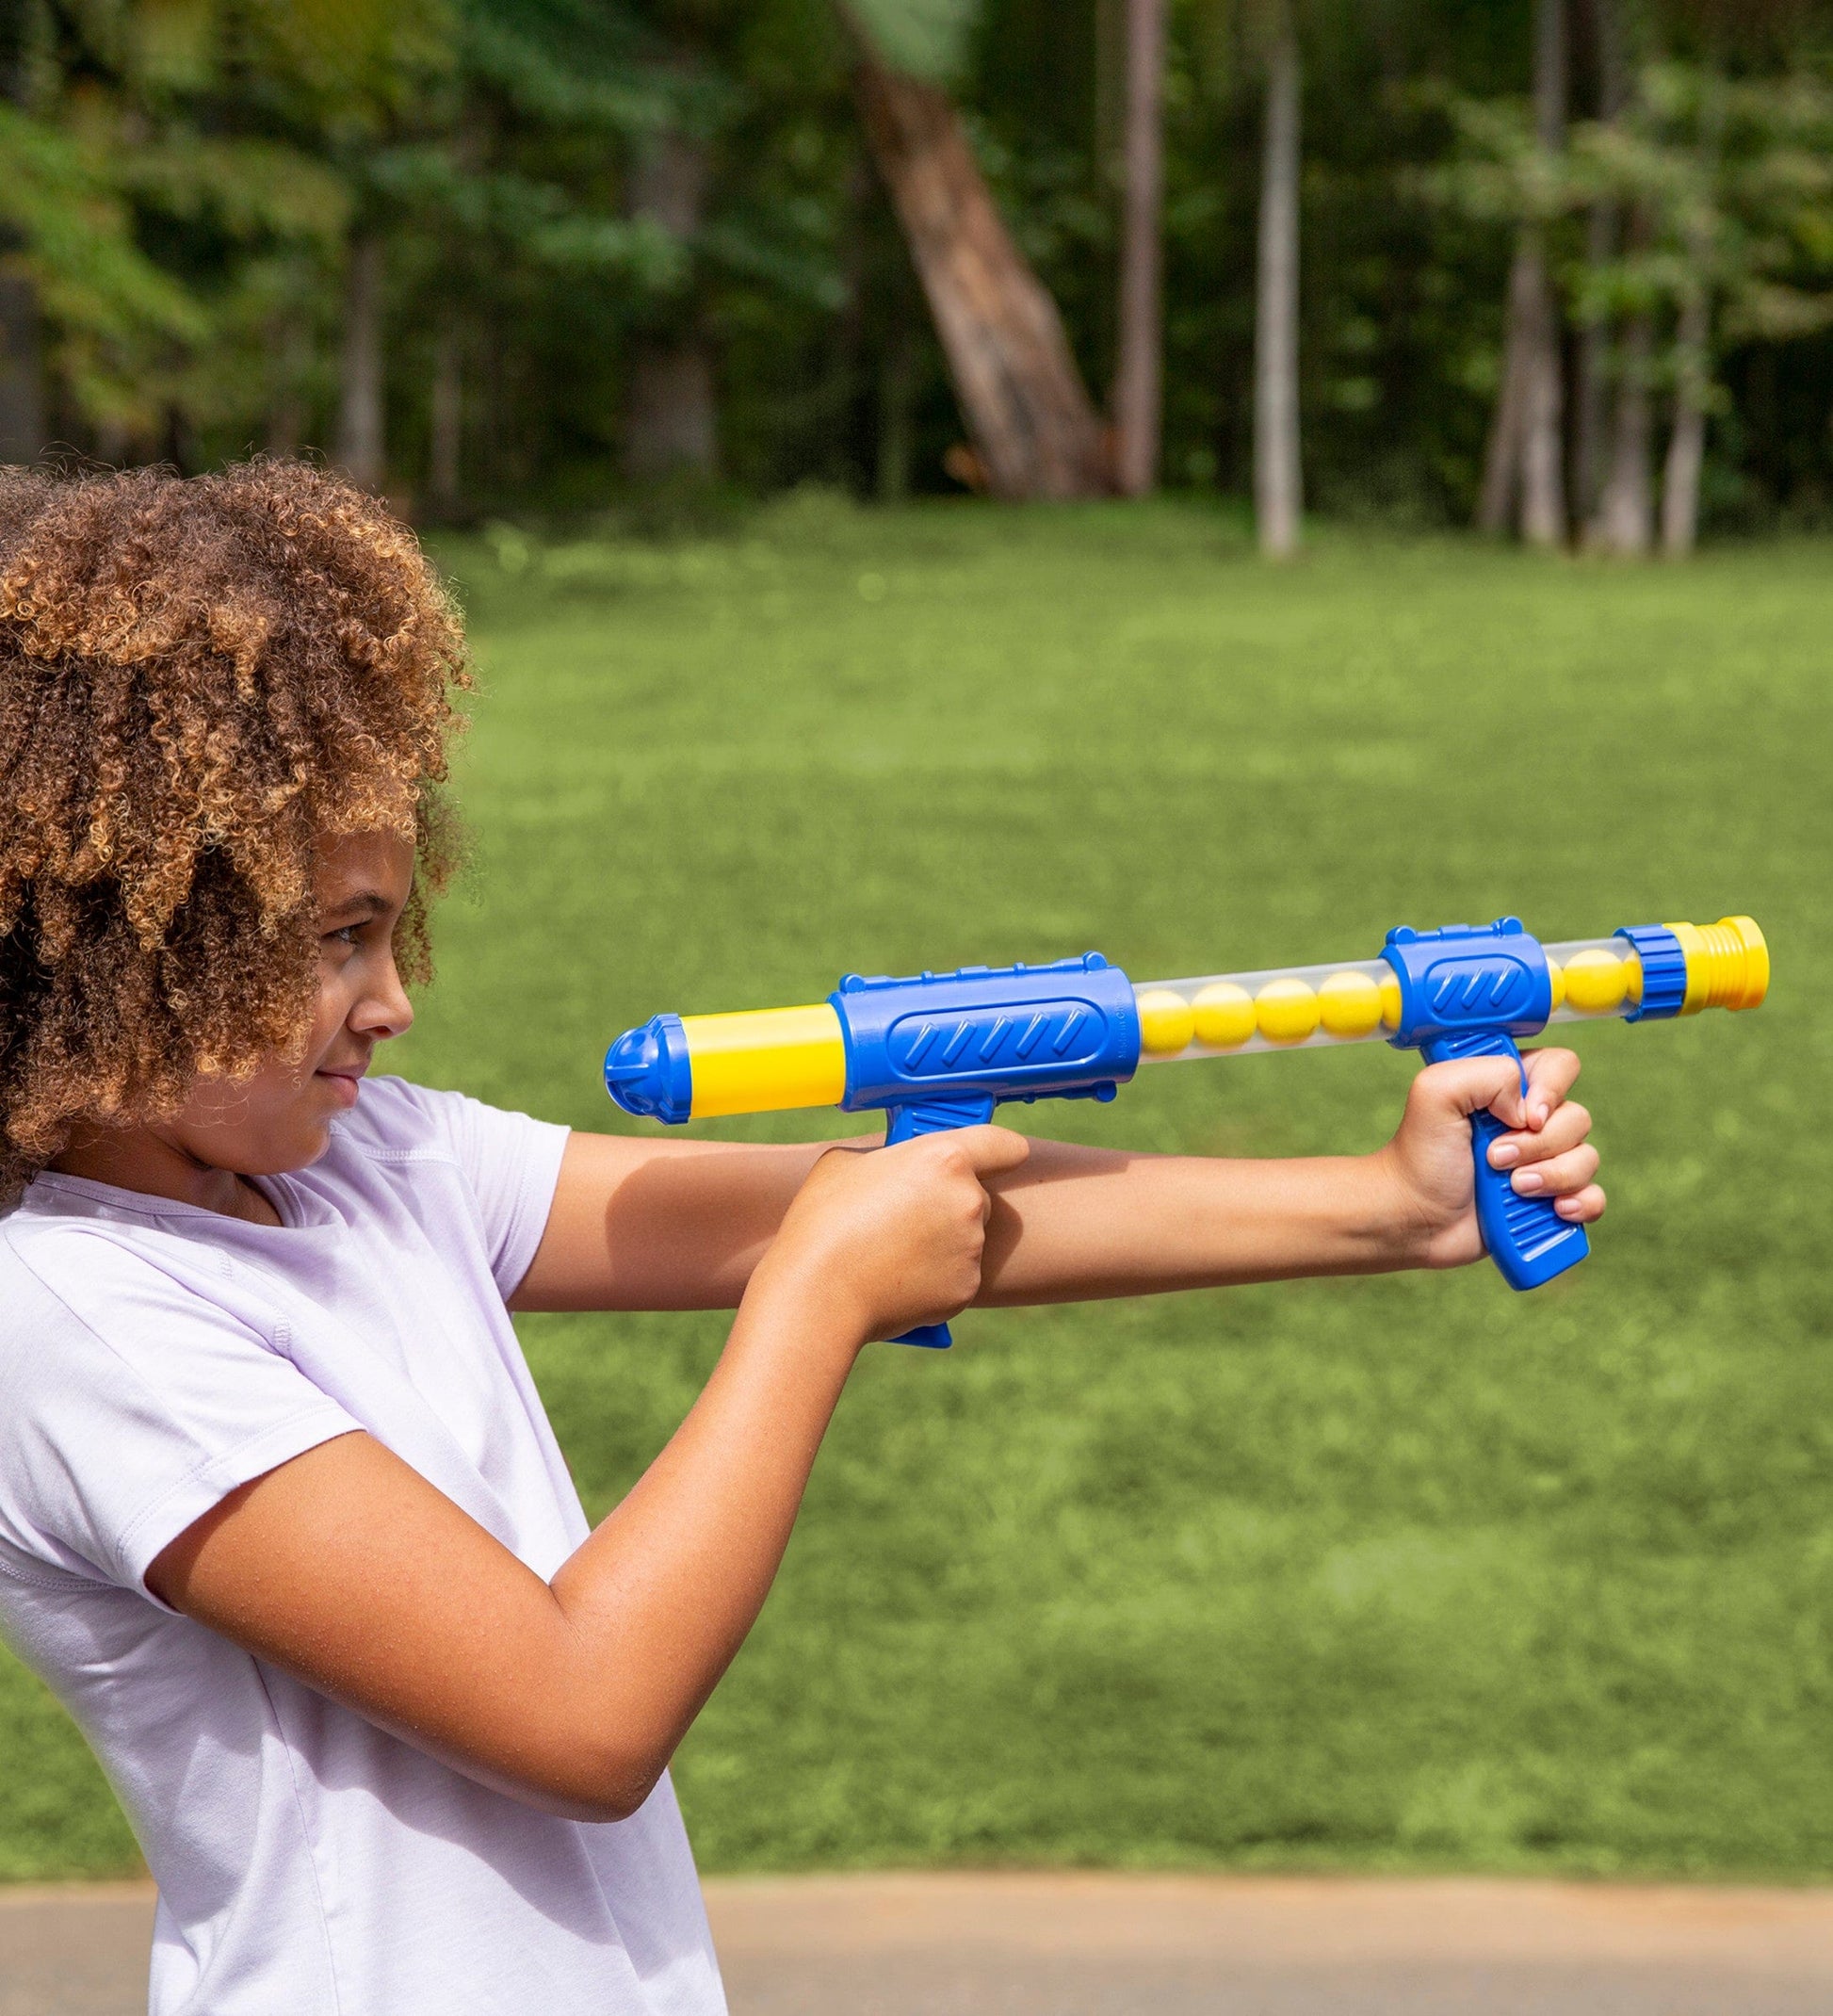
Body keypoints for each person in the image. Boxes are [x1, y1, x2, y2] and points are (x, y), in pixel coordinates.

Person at [0, 463, 1605, 2016]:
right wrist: (816, 1300)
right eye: (336, 942)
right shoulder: (79, 1315)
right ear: (125, 958)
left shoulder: (369, 1162)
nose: (394, 998)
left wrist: (1386, 1207)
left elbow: (899, 1203)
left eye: (389, 927)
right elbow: (578, 1711)